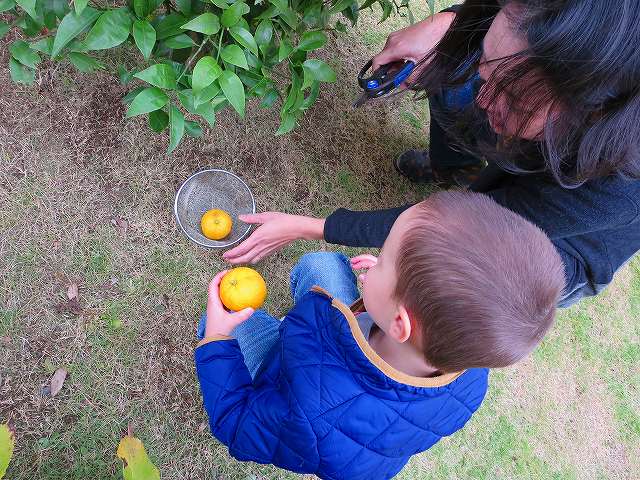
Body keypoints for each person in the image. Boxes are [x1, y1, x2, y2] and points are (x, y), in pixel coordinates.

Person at [223, 0, 640, 308]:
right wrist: (449, 25)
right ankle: (455, 166)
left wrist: (312, 227)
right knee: (453, 75)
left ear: (590, 109)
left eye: (513, 99)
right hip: (544, 142)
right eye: (488, 65)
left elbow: (460, 222)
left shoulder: (619, 185)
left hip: (567, 247)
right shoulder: (564, 13)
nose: (485, 98)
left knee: (459, 279)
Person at [195, 191, 565, 480]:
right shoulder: (469, 376)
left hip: (298, 384)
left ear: (401, 323)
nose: (376, 260)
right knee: (321, 263)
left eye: (384, 259)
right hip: (341, 354)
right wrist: (385, 293)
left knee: (223, 322)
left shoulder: (311, 418)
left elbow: (236, 422)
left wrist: (217, 340)